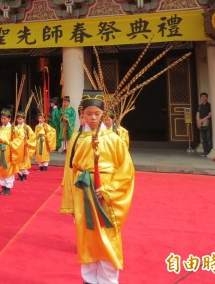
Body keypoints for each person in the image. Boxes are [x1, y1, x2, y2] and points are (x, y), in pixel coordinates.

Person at [61, 90, 134, 284]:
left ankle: (108, 280)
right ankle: (89, 279)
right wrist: (71, 196)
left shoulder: (113, 139)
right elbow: (71, 170)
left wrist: (109, 189)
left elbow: (126, 172)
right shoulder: (78, 139)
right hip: (83, 192)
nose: (93, 117)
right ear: (82, 115)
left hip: (105, 194)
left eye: (97, 114)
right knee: (86, 235)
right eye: (89, 113)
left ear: (103, 114)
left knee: (106, 234)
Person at [0, 107, 24, 195]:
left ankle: (8, 187)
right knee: (1, 168)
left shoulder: (13, 129)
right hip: (0, 150)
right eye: (2, 118)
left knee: (8, 168)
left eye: (5, 118)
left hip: (8, 151)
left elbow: (21, 138)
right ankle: (3, 186)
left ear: (9, 119)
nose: (3, 120)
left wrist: (12, 144)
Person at [14, 110, 36, 181]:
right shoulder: (15, 127)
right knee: (18, 161)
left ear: (24, 119)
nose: (19, 120)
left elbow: (33, 136)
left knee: (24, 161)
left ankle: (24, 176)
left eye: (21, 119)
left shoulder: (27, 127)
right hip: (18, 147)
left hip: (24, 146)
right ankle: (19, 175)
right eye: (18, 119)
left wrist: (28, 142)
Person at [196, 92, 212, 158]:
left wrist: (202, 120)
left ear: (207, 97)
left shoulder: (209, 105)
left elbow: (210, 115)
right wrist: (198, 122)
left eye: (204, 97)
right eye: (202, 97)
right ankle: (205, 151)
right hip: (201, 124)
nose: (203, 98)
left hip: (207, 124)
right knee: (203, 138)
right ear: (200, 98)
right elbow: (197, 114)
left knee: (209, 138)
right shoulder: (200, 106)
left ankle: (209, 151)